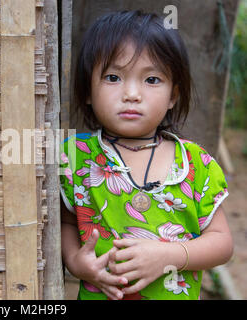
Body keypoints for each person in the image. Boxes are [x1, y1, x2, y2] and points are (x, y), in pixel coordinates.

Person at [59, 10, 233, 300]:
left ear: (173, 96)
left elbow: (222, 243)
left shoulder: (194, 163)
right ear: (88, 90)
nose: (131, 93)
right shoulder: (76, 157)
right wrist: (76, 262)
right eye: (113, 77)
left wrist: (170, 255)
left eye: (151, 80)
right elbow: (67, 222)